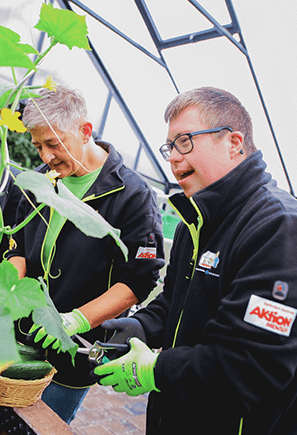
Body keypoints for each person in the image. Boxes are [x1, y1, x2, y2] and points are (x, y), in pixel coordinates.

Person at [92, 87, 297, 435]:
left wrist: (156, 369)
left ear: (234, 143)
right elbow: (175, 302)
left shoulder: (276, 226)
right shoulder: (196, 218)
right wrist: (138, 327)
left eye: (184, 141)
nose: (172, 157)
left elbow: (251, 363)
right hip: (175, 414)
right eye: (169, 146)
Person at [6, 85, 165, 424]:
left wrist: (75, 320)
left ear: (85, 131)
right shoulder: (36, 181)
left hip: (74, 349)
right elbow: (16, 244)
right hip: (18, 335)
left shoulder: (133, 196)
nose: (45, 156)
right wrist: (10, 293)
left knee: (42, 424)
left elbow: (137, 281)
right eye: (37, 146)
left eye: (53, 143)